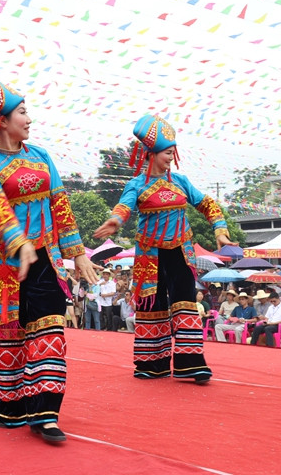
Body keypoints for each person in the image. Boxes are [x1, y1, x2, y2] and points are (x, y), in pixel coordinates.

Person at [0, 73, 96, 443]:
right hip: (6, 263)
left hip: (45, 259)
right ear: (2, 120)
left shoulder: (41, 156)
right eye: (23, 112)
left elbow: (60, 203)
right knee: (9, 336)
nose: (30, 118)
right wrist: (20, 243)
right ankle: (13, 409)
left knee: (50, 326)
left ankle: (46, 413)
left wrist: (78, 254)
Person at [94, 115, 233, 382]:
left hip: (181, 252)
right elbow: (124, 206)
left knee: (185, 303)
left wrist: (220, 228)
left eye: (172, 153)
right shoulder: (137, 184)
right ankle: (151, 364)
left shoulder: (180, 181)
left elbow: (207, 204)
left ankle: (190, 364)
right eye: (168, 152)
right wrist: (115, 220)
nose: (171, 157)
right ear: (152, 153)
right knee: (151, 304)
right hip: (150, 255)